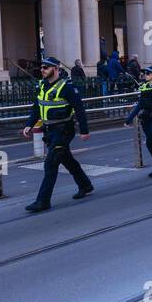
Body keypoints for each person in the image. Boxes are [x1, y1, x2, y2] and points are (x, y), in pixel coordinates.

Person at [21, 57, 93, 212]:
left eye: (46, 67)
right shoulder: (42, 86)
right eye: (41, 67)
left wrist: (84, 130)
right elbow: (37, 107)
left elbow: (79, 109)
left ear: (56, 69)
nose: (42, 70)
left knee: (50, 164)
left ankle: (43, 201)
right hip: (50, 132)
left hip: (63, 131)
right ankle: (85, 185)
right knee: (68, 161)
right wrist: (29, 124)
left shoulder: (67, 87)